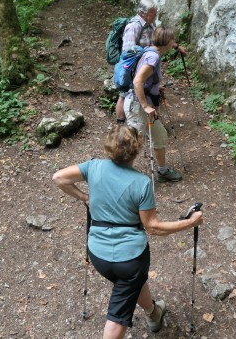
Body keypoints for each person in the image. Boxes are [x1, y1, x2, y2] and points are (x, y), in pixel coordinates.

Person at [52, 125, 204, 339]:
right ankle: (152, 314)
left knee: (131, 284)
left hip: (98, 255)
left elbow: (59, 178)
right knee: (118, 315)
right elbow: (153, 227)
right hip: (129, 259)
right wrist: (190, 223)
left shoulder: (93, 167)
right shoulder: (141, 183)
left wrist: (85, 197)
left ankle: (153, 313)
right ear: (137, 149)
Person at [125, 26, 182, 183]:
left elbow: (144, 80)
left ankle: (163, 172)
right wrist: (145, 106)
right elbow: (138, 81)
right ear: (166, 42)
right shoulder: (153, 57)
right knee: (133, 143)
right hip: (138, 107)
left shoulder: (150, 51)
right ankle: (120, 176)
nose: (174, 43)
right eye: (172, 40)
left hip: (145, 106)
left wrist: (157, 87)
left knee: (160, 135)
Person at [115, 0, 187, 124]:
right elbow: (127, 53)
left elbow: (161, 40)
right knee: (125, 95)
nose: (156, 14)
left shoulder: (150, 26)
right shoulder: (133, 27)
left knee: (146, 93)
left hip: (146, 66)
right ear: (143, 13)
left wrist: (176, 47)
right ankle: (121, 125)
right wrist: (141, 64)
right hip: (132, 69)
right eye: (153, 12)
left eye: (155, 12)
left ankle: (148, 123)